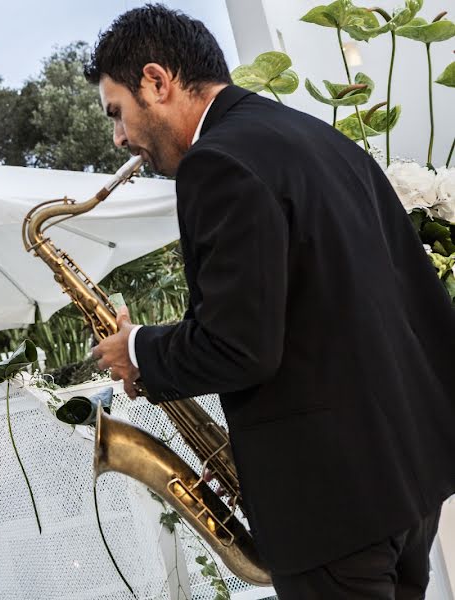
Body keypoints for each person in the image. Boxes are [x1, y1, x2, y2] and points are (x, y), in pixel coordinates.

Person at [87, 5, 455, 598]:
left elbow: (238, 347)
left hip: (332, 505)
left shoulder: (217, 164)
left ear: (157, 81)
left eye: (117, 113)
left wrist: (139, 348)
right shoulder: (315, 137)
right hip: (406, 480)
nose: (120, 138)